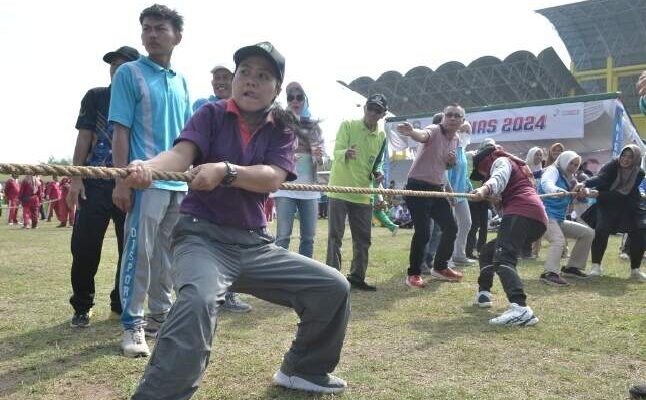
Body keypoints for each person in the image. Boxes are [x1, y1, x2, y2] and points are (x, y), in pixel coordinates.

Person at [124, 41, 350, 398]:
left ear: (276, 89)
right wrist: (146, 168)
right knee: (197, 301)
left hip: (255, 245)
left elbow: (272, 177)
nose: (250, 81)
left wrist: (225, 170)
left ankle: (302, 369)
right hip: (201, 239)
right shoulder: (211, 114)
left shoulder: (283, 127)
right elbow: (180, 154)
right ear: (234, 79)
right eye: (244, 72)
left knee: (332, 287)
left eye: (263, 76)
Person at [109, 4, 192, 357]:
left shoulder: (183, 81)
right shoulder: (129, 73)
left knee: (167, 256)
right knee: (138, 254)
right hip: (145, 182)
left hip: (178, 183)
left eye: (159, 28)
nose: (151, 34)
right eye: (146, 28)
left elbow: (188, 138)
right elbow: (120, 131)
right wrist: (121, 181)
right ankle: (133, 325)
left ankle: (161, 315)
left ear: (177, 36)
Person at [67, 45, 140, 328]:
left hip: (130, 183)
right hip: (94, 183)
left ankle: (119, 305)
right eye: (113, 65)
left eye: (124, 66)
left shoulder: (140, 99)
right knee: (84, 247)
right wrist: (76, 178)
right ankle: (81, 306)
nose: (116, 70)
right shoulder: (96, 96)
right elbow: (84, 138)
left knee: (129, 249)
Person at [189, 62, 251, 313]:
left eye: (225, 77)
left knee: (234, 242)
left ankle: (231, 295)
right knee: (204, 242)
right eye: (216, 78)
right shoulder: (202, 106)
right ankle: (204, 294)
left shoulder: (246, 109)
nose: (220, 82)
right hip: (206, 187)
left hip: (235, 186)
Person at [470, 144, 548, 326]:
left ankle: (520, 309)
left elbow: (498, 177)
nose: (482, 176)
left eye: (481, 172)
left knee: (504, 257)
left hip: (523, 212)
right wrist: (495, 198)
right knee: (489, 251)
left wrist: (484, 190)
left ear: (484, 163)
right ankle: (484, 293)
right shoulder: (515, 166)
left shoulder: (501, 161)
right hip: (533, 218)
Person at [326, 94, 388, 291]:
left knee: (363, 239)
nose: (372, 112)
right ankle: (332, 279)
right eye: (370, 107)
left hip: (363, 193)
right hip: (339, 189)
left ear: (383, 114)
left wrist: (379, 172)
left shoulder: (382, 136)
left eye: (377, 110)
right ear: (364, 108)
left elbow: (378, 162)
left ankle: (357, 277)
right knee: (335, 237)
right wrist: (345, 153)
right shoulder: (348, 125)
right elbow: (336, 152)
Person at [396, 104, 462, 289]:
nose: (453, 118)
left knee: (451, 227)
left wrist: (451, 162)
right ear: (443, 118)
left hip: (436, 189)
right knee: (423, 232)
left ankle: (440, 267)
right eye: (449, 114)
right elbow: (422, 135)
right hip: (417, 187)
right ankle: (413, 274)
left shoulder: (456, 139)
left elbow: (446, 165)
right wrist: (411, 133)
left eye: (457, 116)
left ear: (462, 121)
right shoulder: (434, 129)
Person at [271, 82, 325, 258]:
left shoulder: (315, 127)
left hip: (310, 189)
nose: (295, 100)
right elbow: (270, 151)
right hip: (285, 188)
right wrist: (286, 157)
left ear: (305, 99)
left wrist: (318, 156)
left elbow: (322, 160)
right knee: (283, 236)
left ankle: (305, 278)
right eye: (290, 97)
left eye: (299, 96)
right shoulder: (279, 123)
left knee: (308, 238)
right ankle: (280, 276)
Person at [582, 144, 646, 281]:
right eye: (624, 155)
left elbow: (623, 193)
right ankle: (595, 267)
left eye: (630, 157)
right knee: (601, 230)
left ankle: (635, 270)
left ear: (636, 159)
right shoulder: (612, 165)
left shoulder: (639, 173)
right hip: (607, 204)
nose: (626, 159)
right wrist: (585, 184)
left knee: (640, 232)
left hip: (629, 204)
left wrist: (599, 194)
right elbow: (601, 178)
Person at [537, 151, 594, 286]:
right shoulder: (552, 170)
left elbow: (575, 193)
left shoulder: (569, 178)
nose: (573, 167)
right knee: (558, 240)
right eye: (571, 163)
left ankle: (572, 268)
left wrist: (581, 189)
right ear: (563, 161)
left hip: (558, 220)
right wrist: (556, 190)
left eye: (576, 164)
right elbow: (546, 183)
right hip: (544, 216)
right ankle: (549, 273)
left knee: (588, 233)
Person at [447, 121, 475, 266]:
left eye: (468, 131)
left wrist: (469, 186)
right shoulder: (450, 147)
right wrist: (449, 192)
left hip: (461, 193)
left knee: (466, 222)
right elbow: (446, 172)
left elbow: (463, 174)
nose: (465, 134)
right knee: (448, 226)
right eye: (463, 130)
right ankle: (446, 258)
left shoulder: (463, 151)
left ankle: (459, 255)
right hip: (448, 193)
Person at [466, 139, 496, 259]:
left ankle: (481, 250)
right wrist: (491, 148)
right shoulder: (473, 156)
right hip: (472, 196)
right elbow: (471, 174)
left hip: (484, 197)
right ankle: (468, 251)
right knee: (473, 226)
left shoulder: (492, 161)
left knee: (484, 225)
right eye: (487, 147)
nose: (490, 151)